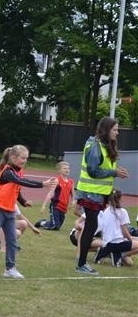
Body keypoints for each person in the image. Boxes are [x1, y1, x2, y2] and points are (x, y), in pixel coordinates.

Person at [0, 145, 56, 279]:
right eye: (22, 158)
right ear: (13, 158)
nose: (25, 160)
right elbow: (21, 181)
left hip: (9, 210)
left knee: (12, 240)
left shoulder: (20, 171)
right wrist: (42, 184)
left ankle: (10, 268)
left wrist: (23, 202)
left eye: (26, 158)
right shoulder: (8, 172)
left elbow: (17, 189)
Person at [74, 117, 129, 275]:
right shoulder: (95, 145)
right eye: (115, 129)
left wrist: (116, 173)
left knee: (90, 227)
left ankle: (82, 263)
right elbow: (93, 170)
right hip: (90, 193)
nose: (117, 133)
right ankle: (81, 264)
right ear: (106, 129)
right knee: (90, 227)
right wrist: (114, 172)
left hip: (98, 194)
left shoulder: (105, 145)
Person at [94, 189, 138, 267]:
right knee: (133, 243)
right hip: (117, 244)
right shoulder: (122, 211)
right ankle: (119, 255)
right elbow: (124, 232)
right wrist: (131, 239)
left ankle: (108, 253)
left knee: (129, 263)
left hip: (106, 242)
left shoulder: (106, 210)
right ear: (120, 199)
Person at [35, 161, 74, 231]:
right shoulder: (57, 180)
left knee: (58, 226)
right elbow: (50, 193)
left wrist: (72, 202)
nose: (67, 170)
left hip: (64, 207)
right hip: (56, 206)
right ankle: (41, 223)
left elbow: (73, 194)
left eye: (68, 168)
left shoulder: (71, 182)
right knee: (55, 226)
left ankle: (44, 222)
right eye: (64, 168)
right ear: (59, 170)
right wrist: (44, 205)